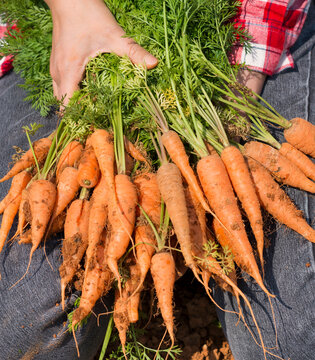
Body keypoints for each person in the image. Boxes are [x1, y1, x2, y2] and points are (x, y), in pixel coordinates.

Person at [0, 0, 314, 359]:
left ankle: (202, 243)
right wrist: (71, 9)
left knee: (292, 340)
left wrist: (230, 89)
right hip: (69, 35)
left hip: (253, 34)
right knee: (19, 329)